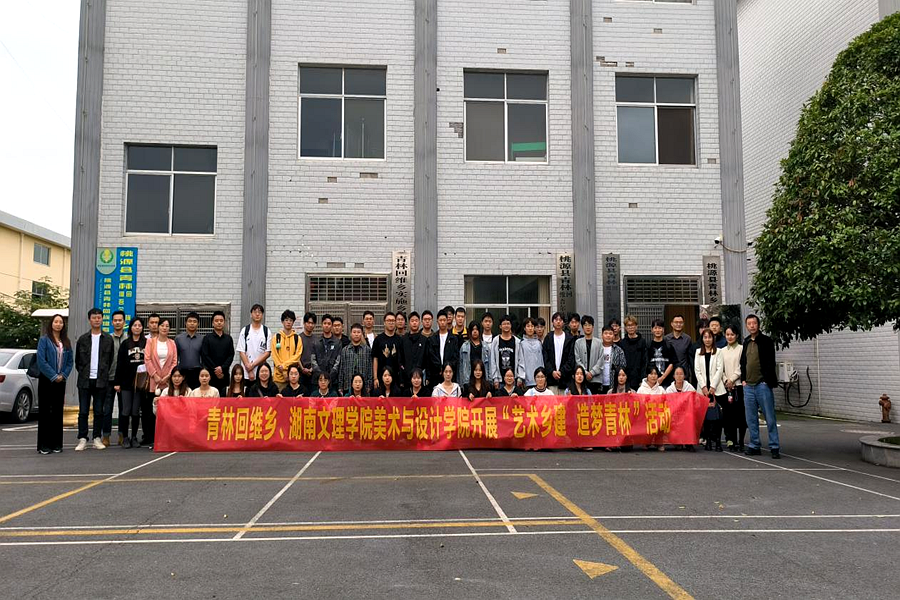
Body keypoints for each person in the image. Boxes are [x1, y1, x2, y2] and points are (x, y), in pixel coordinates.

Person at [74, 308, 114, 451]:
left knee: (99, 411)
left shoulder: (108, 339)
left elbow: (110, 360)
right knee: (83, 411)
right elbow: (77, 361)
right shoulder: (83, 339)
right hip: (85, 380)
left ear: (102, 319)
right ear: (89, 320)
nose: (97, 320)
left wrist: (102, 373)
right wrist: (85, 372)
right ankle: (82, 438)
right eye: (94, 317)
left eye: (99, 317)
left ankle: (97, 437)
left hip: (101, 380)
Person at [740, 314, 780, 459]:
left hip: (762, 385)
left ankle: (774, 446)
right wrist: (743, 380)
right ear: (746, 326)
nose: (752, 326)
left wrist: (766, 380)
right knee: (751, 419)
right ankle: (754, 445)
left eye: (754, 323)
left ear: (758, 325)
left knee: (769, 417)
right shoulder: (745, 342)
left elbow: (770, 362)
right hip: (748, 386)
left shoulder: (766, 341)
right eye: (749, 323)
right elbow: (743, 362)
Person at [35, 314, 73, 454]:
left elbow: (70, 362)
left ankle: (57, 444)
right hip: (47, 380)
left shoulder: (66, 341)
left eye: (60, 322)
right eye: (56, 322)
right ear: (51, 324)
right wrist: (53, 375)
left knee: (57, 412)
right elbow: (41, 361)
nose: (58, 324)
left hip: (60, 381)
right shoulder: (44, 340)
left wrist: (63, 375)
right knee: (46, 412)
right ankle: (44, 445)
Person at [144, 317, 177, 449]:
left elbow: (174, 361)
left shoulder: (172, 343)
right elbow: (147, 359)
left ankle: (168, 438)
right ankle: (153, 439)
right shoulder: (150, 342)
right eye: (162, 325)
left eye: (167, 326)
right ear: (158, 327)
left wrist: (168, 376)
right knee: (152, 412)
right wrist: (155, 375)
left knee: (169, 412)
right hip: (154, 381)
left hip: (168, 382)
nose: (164, 328)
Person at [115, 317, 146, 449]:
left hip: (140, 383)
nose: (137, 327)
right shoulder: (125, 344)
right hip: (126, 382)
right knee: (126, 410)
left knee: (135, 411)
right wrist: (117, 382)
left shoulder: (146, 343)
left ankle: (134, 437)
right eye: (135, 325)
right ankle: (125, 437)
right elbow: (120, 364)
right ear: (131, 327)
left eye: (139, 325)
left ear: (142, 328)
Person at [696, 328, 726, 452]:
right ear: (702, 339)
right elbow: (697, 371)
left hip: (716, 389)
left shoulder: (718, 352)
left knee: (717, 417)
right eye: (705, 337)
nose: (707, 340)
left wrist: (712, 386)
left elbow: (720, 369)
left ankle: (718, 441)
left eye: (709, 337)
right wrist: (703, 386)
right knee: (706, 417)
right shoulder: (698, 352)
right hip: (702, 390)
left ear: (713, 339)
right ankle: (708, 440)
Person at [721, 325, 746, 451]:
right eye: (727, 334)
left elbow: (742, 366)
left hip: (738, 386)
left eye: (732, 334)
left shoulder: (741, 349)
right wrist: (726, 380)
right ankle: (731, 440)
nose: (729, 337)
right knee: (728, 415)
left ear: (736, 335)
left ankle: (741, 441)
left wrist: (732, 379)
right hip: (726, 388)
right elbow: (720, 369)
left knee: (740, 415)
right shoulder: (722, 351)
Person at [104, 310, 127, 447]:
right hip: (108, 378)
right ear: (112, 322)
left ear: (124, 322)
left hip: (124, 379)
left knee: (124, 409)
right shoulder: (107, 338)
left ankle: (122, 435)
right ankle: (106, 435)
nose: (118, 322)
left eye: (120, 320)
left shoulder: (128, 338)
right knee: (107, 408)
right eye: (115, 320)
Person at [200, 310, 234, 397]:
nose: (219, 322)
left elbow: (231, 355)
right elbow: (205, 355)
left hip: (224, 375)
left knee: (224, 399)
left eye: (221, 320)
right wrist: (216, 369)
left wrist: (222, 368)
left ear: (224, 323)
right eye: (216, 321)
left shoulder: (228, 339)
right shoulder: (207, 338)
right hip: (211, 375)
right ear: (212, 323)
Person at [237, 304, 272, 381]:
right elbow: (241, 351)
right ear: (251, 314)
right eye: (255, 312)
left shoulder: (266, 331)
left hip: (261, 373)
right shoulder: (245, 330)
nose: (257, 314)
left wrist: (253, 365)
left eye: (259, 312)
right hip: (246, 372)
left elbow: (267, 352)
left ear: (262, 315)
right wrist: (249, 370)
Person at [542, 312, 575, 394]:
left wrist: (561, 372)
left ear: (563, 322)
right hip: (551, 380)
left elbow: (571, 358)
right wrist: (552, 371)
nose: (558, 322)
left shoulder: (569, 338)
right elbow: (545, 358)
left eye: (560, 320)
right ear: (552, 322)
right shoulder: (548, 338)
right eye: (556, 319)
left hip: (565, 380)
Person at [271, 310, 302, 391]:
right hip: (278, 378)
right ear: (282, 322)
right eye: (286, 320)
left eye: (291, 320)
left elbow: (297, 356)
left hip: (293, 377)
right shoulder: (276, 337)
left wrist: (284, 366)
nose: (288, 322)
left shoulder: (297, 338)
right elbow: (275, 356)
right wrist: (283, 372)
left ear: (293, 322)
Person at [338, 323, 373, 395]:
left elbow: (370, 368)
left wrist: (369, 385)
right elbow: (341, 369)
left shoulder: (367, 350)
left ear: (362, 334)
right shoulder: (345, 350)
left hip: (364, 387)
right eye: (354, 332)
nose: (356, 334)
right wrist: (340, 386)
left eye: (358, 332)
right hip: (347, 386)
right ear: (351, 334)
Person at [427, 311, 459, 388]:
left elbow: (455, 356)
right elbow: (431, 356)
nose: (442, 322)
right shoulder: (432, 339)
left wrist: (447, 368)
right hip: (436, 374)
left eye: (444, 320)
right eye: (440, 320)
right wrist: (440, 368)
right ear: (437, 322)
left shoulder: (453, 338)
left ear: (447, 321)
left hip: (449, 374)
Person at [372, 312, 403, 391]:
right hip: (381, 376)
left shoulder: (399, 340)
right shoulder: (378, 339)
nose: (391, 323)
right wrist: (375, 378)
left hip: (395, 378)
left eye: (393, 321)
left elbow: (401, 360)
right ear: (384, 323)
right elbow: (375, 359)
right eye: (388, 320)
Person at [617, 315, 648, 393]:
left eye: (632, 325)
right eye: (628, 325)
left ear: (636, 326)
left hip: (638, 377)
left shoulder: (642, 342)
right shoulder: (622, 343)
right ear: (625, 327)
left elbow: (644, 361)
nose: (630, 327)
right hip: (625, 378)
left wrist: (642, 378)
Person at [490, 315, 521, 389]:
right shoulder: (496, 341)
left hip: (513, 379)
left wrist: (520, 377)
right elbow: (493, 360)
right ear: (500, 326)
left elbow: (521, 360)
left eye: (508, 324)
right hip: (500, 380)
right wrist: (495, 378)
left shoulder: (517, 341)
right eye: (504, 324)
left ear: (511, 325)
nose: (506, 326)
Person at [175, 311, 204, 389]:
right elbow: (175, 357)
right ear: (185, 323)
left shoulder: (202, 339)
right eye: (190, 321)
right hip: (182, 372)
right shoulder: (178, 338)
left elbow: (204, 357)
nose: (192, 323)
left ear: (198, 324)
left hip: (197, 372)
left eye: (194, 321)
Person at [312, 314, 342, 388]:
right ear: (321, 325)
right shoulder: (316, 342)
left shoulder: (337, 342)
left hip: (333, 380)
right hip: (318, 380)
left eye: (329, 324)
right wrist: (321, 376)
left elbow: (338, 361)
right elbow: (313, 360)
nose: (326, 325)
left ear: (332, 326)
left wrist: (330, 376)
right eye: (325, 323)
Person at [459, 321, 492, 387]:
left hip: (483, 380)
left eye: (476, 329)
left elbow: (489, 365)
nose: (475, 331)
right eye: (473, 329)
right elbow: (461, 366)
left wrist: (489, 380)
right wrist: (461, 383)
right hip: (468, 380)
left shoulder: (485, 347)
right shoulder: (464, 346)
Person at [595, 326, 626, 394]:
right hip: (598, 384)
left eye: (610, 333)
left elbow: (623, 366)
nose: (608, 335)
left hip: (613, 385)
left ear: (613, 336)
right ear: (602, 335)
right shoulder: (597, 349)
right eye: (606, 333)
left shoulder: (618, 350)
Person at [574, 316, 600, 394]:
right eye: (585, 325)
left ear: (593, 327)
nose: (588, 327)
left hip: (595, 379)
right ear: (582, 327)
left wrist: (592, 373)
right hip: (582, 379)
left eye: (590, 325)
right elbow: (577, 360)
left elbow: (601, 361)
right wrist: (585, 372)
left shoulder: (599, 343)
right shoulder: (578, 342)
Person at [664, 315, 693, 385]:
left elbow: (690, 358)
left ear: (683, 324)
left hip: (683, 375)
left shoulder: (687, 339)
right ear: (672, 324)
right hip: (669, 375)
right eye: (676, 322)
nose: (678, 324)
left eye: (680, 322)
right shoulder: (666, 339)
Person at [401, 312, 428, 388]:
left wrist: (427, 377)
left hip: (420, 378)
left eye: (416, 321)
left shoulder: (424, 340)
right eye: (412, 321)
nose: (414, 323)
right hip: (406, 378)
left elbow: (427, 360)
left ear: (420, 322)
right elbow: (400, 360)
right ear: (409, 323)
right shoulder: (403, 339)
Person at [648, 319, 676, 386]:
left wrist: (662, 377)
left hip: (668, 381)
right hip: (652, 381)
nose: (657, 330)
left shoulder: (669, 345)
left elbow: (672, 363)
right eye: (655, 328)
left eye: (660, 328)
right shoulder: (648, 345)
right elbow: (646, 363)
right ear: (652, 330)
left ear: (663, 330)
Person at [299, 312, 318, 392]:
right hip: (301, 373)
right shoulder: (299, 338)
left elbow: (318, 356)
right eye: (308, 323)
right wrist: (302, 368)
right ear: (304, 323)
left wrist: (312, 368)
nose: (310, 325)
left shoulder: (317, 340)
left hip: (313, 374)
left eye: (312, 323)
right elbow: (296, 356)